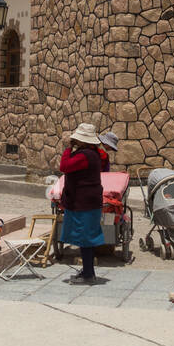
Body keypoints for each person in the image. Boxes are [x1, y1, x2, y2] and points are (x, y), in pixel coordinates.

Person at [59, 122, 105, 285]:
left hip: (85, 202)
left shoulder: (84, 155)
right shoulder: (91, 153)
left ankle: (88, 275)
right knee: (86, 238)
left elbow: (64, 166)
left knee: (85, 238)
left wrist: (67, 150)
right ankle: (87, 271)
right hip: (87, 201)